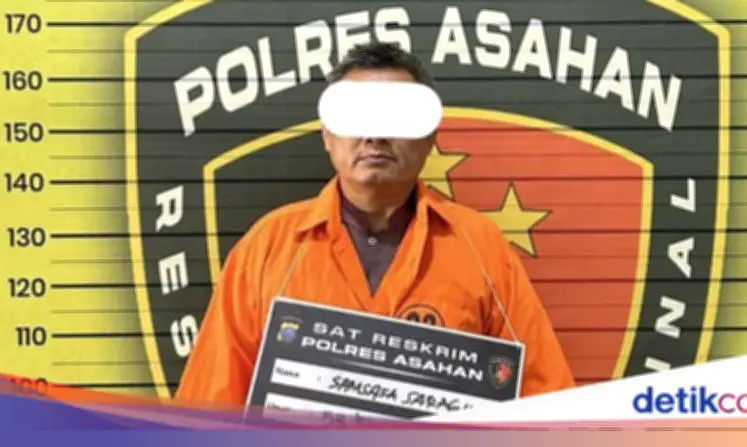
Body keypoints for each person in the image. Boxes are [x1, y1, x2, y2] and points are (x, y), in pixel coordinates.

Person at [176, 42, 575, 406]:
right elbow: (207, 409)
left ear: (429, 137)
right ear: (327, 135)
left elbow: (546, 403)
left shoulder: (481, 247)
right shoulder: (267, 248)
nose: (375, 135)